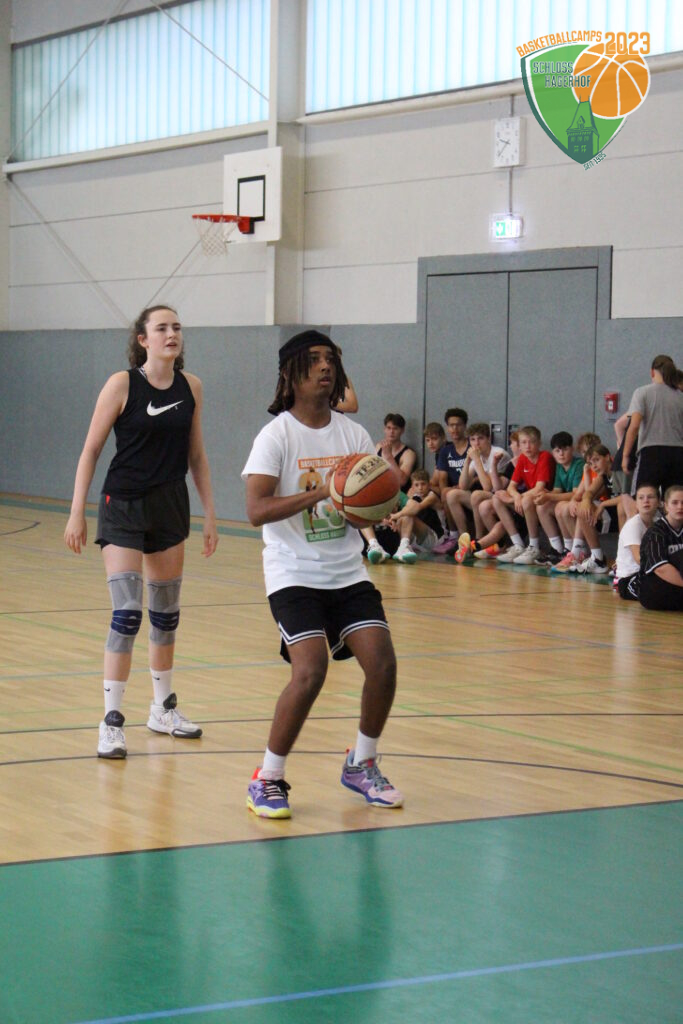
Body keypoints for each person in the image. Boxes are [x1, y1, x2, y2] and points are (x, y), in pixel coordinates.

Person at [242, 330, 403, 819]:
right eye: (313, 360)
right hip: (292, 573)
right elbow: (255, 510)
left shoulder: (353, 435)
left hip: (346, 571)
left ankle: (362, 763)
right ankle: (267, 777)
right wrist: (321, 492)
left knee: (383, 665)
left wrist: (377, 507)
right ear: (291, 373)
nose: (325, 367)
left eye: (330, 358)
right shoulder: (276, 436)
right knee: (310, 671)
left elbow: (363, 507)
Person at [64, 305, 218, 758]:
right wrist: (76, 512)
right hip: (124, 505)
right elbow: (91, 450)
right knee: (128, 612)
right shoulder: (122, 384)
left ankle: (162, 709)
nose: (172, 334)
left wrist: (210, 514)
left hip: (170, 505)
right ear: (143, 339)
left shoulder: (192, 387)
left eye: (177, 327)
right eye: (161, 328)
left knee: (166, 614)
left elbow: (197, 456)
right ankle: (111, 720)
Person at [471, 426, 555, 564]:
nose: (527, 446)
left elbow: (539, 488)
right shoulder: (522, 459)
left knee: (525, 500)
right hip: (525, 502)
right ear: (520, 445)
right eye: (524, 443)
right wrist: (515, 497)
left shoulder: (545, 457)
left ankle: (534, 547)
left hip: (543, 501)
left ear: (539, 443)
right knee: (497, 496)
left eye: (532, 442)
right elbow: (511, 487)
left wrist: (516, 498)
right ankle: (517, 545)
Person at [623, 355, 683, 495]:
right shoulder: (680, 396)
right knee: (674, 499)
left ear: (652, 372)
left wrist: (626, 455)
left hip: (651, 453)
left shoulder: (642, 392)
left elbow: (634, 426)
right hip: (677, 453)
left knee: (643, 497)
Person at [446, 422, 507, 557]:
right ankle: (463, 538)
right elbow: (463, 486)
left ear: (489, 439)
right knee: (452, 495)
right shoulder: (475, 457)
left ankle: (478, 538)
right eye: (472, 439)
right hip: (485, 499)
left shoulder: (498, 454)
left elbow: (489, 487)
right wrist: (468, 461)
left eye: (480, 438)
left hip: (500, 498)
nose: (476, 443)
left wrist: (477, 461)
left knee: (477, 495)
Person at [362, 412, 417, 563]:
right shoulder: (377, 447)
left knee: (408, 513)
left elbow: (401, 481)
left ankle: (404, 547)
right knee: (361, 512)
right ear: (384, 429)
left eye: (395, 428)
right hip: (378, 498)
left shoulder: (408, 454)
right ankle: (373, 545)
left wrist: (388, 457)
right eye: (388, 428)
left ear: (402, 430)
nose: (391, 432)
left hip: (396, 497)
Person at [533, 431, 585, 566]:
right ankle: (557, 549)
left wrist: (549, 496)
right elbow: (557, 490)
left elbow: (575, 494)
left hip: (578, 503)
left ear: (572, 449)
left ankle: (574, 549)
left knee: (560, 507)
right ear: (553, 453)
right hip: (567, 502)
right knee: (542, 507)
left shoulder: (579, 464)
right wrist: (544, 494)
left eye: (565, 449)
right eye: (557, 451)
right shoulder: (559, 467)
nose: (561, 454)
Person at [431, 408, 471, 554]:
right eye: (451, 425)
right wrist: (444, 491)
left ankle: (464, 539)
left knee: (450, 494)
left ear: (464, 426)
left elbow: (479, 475)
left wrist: (460, 487)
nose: (454, 428)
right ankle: (454, 536)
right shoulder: (445, 451)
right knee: (446, 493)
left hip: (471, 491)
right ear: (447, 427)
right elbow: (442, 478)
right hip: (453, 491)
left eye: (458, 424)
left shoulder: (472, 446)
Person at [638, 485, 683, 611]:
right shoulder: (656, 532)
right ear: (666, 506)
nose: (680, 507)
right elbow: (660, 568)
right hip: (654, 588)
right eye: (675, 503)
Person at [385, 468, 444, 563]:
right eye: (416, 485)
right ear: (412, 486)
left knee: (408, 514)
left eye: (423, 484)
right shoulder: (414, 496)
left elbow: (417, 508)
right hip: (419, 538)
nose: (420, 488)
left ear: (429, 484)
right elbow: (404, 510)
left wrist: (395, 516)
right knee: (402, 518)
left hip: (436, 538)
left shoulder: (432, 496)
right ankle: (400, 548)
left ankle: (403, 546)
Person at [614, 483, 660, 601]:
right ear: (636, 504)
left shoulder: (658, 524)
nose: (646, 501)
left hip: (647, 573)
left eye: (650, 497)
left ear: (659, 502)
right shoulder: (634, 525)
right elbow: (639, 559)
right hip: (629, 579)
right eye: (641, 498)